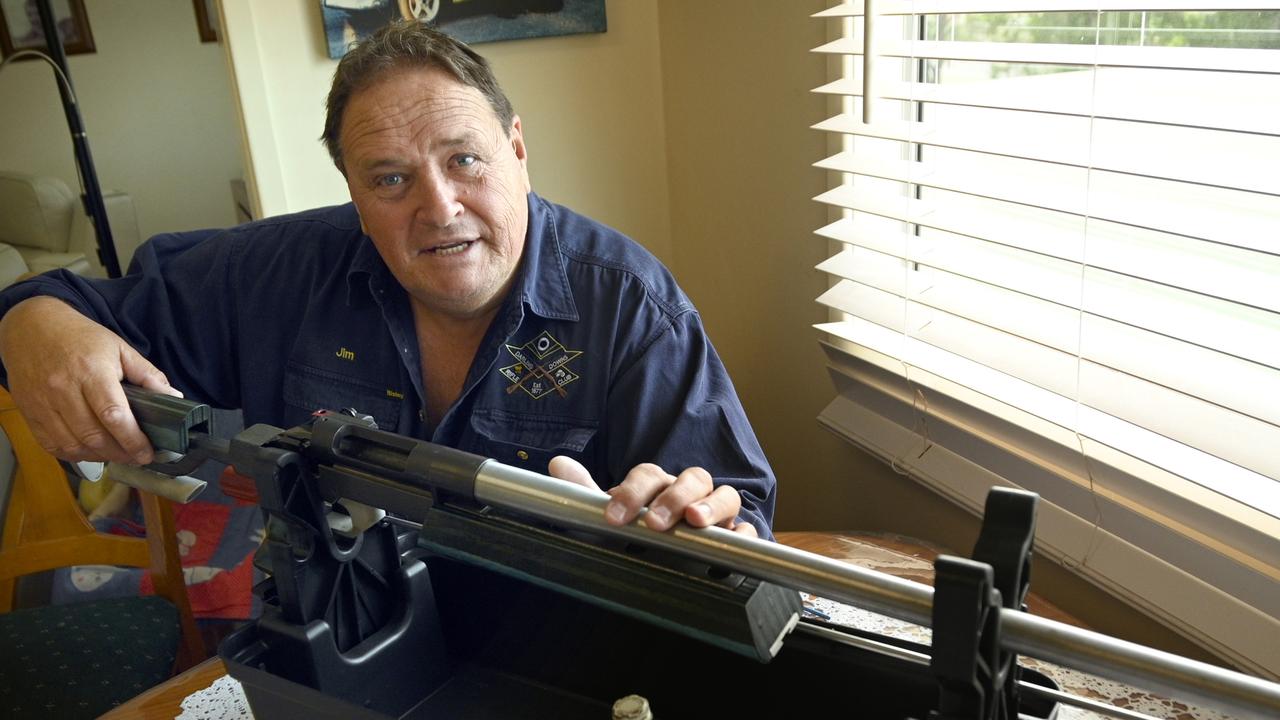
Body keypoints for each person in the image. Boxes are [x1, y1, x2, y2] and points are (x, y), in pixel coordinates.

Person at [0, 20, 776, 538]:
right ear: (353, 194)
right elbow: (80, 307)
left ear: (516, 148)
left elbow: (743, 522)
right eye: (391, 179)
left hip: (557, 653)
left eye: (464, 159)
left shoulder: (632, 304)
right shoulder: (279, 272)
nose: (440, 209)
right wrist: (30, 319)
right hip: (345, 639)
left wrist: (696, 522)